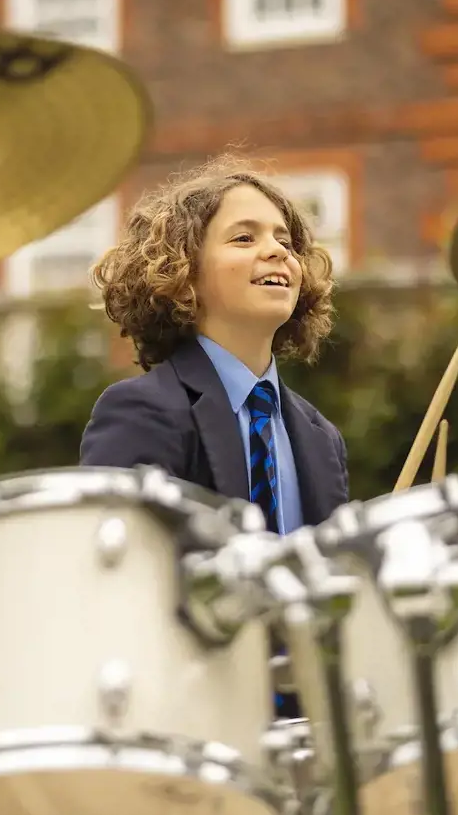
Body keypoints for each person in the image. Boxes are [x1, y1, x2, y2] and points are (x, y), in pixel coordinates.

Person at [80, 153, 349, 533]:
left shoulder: (322, 439)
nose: (279, 252)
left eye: (284, 240)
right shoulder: (142, 412)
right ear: (183, 271)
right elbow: (123, 571)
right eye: (244, 238)